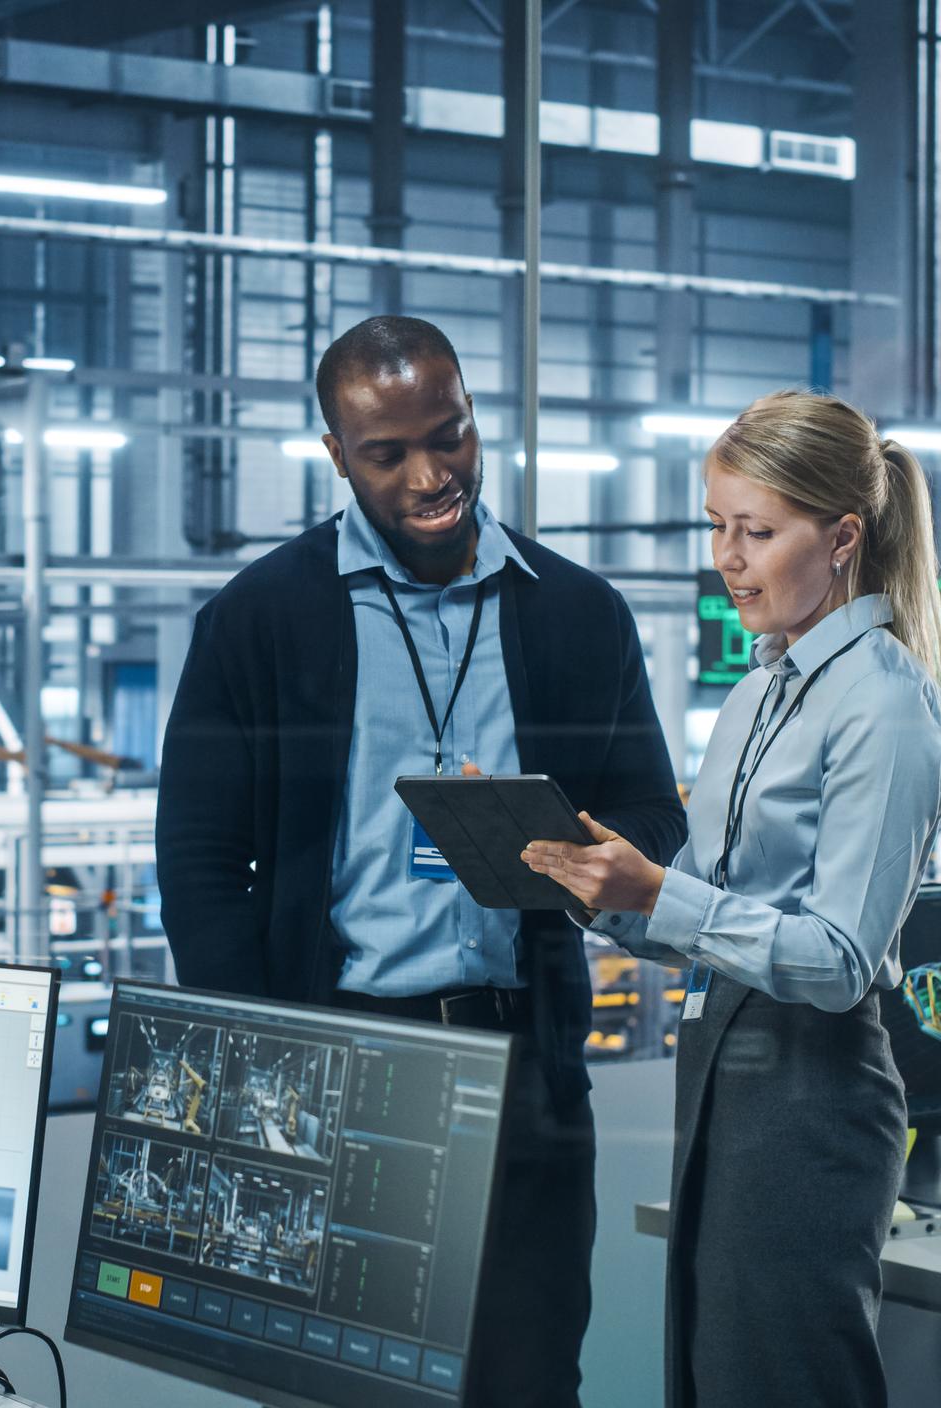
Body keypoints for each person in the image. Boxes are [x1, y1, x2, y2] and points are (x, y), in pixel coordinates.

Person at [157, 314, 686, 1405]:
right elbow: (201, 862)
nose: (430, 473)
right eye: (388, 452)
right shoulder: (257, 620)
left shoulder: (578, 614)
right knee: (338, 1380)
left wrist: (565, 852)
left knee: (528, 1375)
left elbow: (650, 812)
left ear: (474, 419)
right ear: (336, 454)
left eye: (447, 436)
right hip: (336, 1062)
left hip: (523, 1061)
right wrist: (264, 1067)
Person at [522, 389, 941, 1408]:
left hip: (814, 1089)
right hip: (720, 1068)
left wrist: (665, 892)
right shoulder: (756, 690)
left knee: (788, 1380)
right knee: (711, 1379)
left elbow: (840, 957)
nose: (727, 556)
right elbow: (716, 916)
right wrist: (609, 892)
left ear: (842, 538)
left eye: (756, 531)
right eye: (717, 525)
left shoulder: (885, 704)